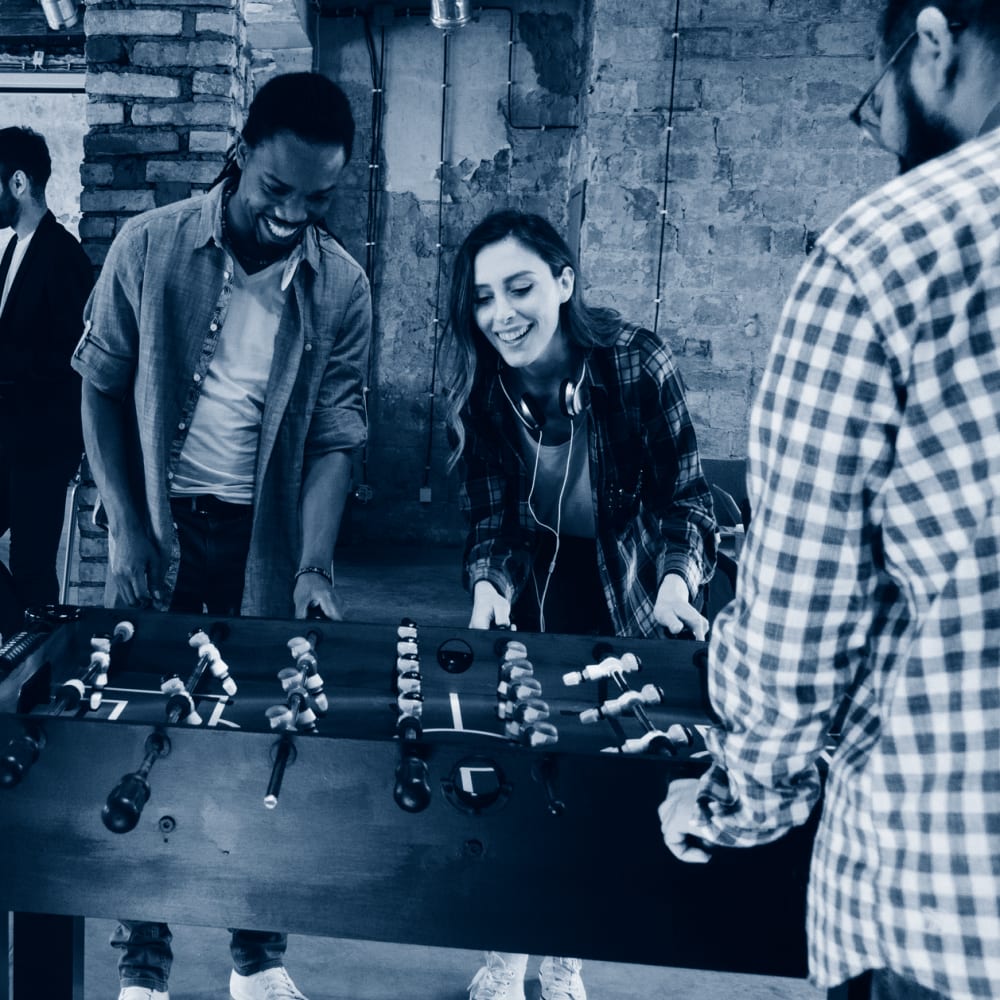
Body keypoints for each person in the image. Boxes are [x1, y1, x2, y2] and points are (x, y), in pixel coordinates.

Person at [659, 5, 1000, 1000]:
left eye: (874, 100)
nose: (889, 131)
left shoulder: (893, 246)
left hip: (952, 906)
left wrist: (736, 799)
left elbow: (800, 616)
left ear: (928, 44)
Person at [72, 72, 371, 1000]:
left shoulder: (343, 287)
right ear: (241, 154)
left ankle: (256, 956)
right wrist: (126, 528)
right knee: (143, 738)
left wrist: (314, 567)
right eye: (278, 190)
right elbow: (100, 385)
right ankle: (144, 967)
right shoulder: (150, 244)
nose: (293, 214)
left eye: (317, 199)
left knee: (261, 741)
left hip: (265, 545)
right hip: (156, 528)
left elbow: (334, 436)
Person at [444, 209, 717, 1000]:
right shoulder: (482, 388)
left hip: (631, 592)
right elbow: (494, 518)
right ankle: (506, 952)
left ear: (564, 283)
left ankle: (566, 957)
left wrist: (677, 580)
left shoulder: (635, 362)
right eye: (484, 297)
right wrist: (491, 586)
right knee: (519, 778)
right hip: (533, 600)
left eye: (520, 287)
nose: (502, 313)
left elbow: (688, 497)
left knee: (600, 788)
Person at [0, 126, 93, 623]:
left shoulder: (63, 256)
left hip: (41, 444)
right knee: (31, 575)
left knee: (33, 568)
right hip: (9, 439)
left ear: (18, 183)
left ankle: (34, 665)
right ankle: (21, 636)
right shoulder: (14, 249)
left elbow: (76, 361)